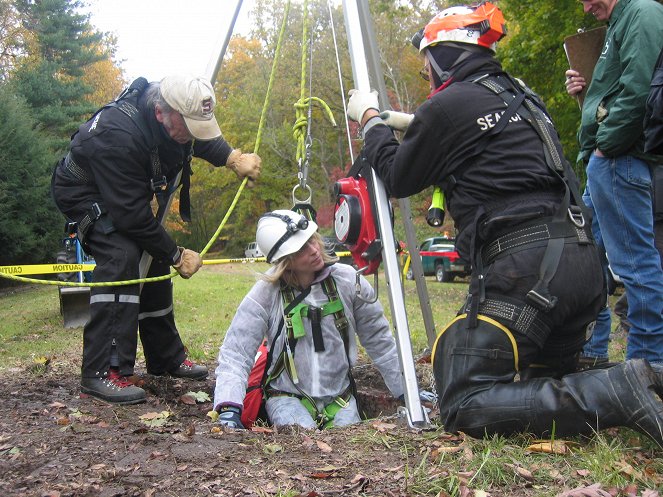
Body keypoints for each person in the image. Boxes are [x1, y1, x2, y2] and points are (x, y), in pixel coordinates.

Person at [346, 2, 663, 445]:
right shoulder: (522, 96)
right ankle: (644, 377)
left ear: (442, 57)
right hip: (580, 269)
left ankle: (616, 390)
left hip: (529, 272)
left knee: (463, 400)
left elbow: (399, 176)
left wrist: (369, 120)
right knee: (529, 381)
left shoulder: (450, 105)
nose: (428, 78)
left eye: (426, 68)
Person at [52, 75, 262, 405]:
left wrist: (232, 157)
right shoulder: (117, 136)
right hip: (83, 191)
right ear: (162, 112)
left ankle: (165, 358)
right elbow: (132, 217)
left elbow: (196, 138)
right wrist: (176, 254)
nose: (193, 133)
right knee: (123, 254)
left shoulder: (174, 117)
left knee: (154, 254)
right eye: (189, 125)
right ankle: (101, 372)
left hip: (124, 193)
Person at [213, 210, 404, 429]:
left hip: (340, 399)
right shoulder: (266, 294)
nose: (314, 250)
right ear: (285, 260)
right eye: (302, 249)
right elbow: (236, 352)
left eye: (312, 240)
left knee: (349, 446)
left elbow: (379, 339)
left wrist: (406, 391)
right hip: (287, 398)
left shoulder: (349, 281)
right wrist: (229, 408)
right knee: (301, 440)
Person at [564, 0, 663, 367]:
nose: (586, 6)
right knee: (585, 260)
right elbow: (621, 88)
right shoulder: (619, 21)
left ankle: (648, 368)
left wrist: (607, 145)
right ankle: (591, 352)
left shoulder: (643, 12)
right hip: (603, 162)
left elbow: (640, 89)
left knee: (637, 266)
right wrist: (587, 93)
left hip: (619, 159)